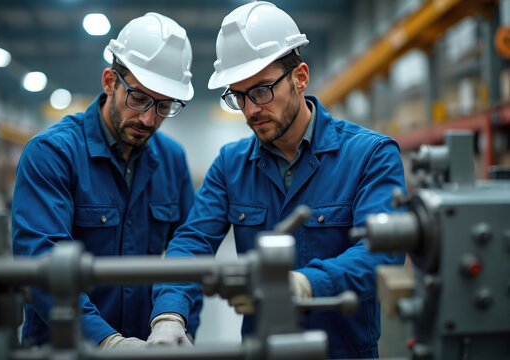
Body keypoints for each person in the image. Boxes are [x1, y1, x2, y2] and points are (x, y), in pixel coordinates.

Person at [148, 2, 406, 358]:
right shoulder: (231, 164)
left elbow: (384, 253)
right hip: (262, 350)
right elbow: (191, 243)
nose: (251, 109)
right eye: (238, 96)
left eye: (261, 90)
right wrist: (169, 314)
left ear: (300, 77)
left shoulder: (370, 155)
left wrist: (305, 284)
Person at [12, 12, 201, 349]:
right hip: (64, 349)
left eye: (163, 105)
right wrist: (106, 342)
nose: (148, 118)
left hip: (149, 345)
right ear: (110, 81)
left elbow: (188, 254)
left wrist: (178, 325)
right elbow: (42, 263)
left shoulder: (172, 159)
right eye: (139, 98)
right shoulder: (52, 153)